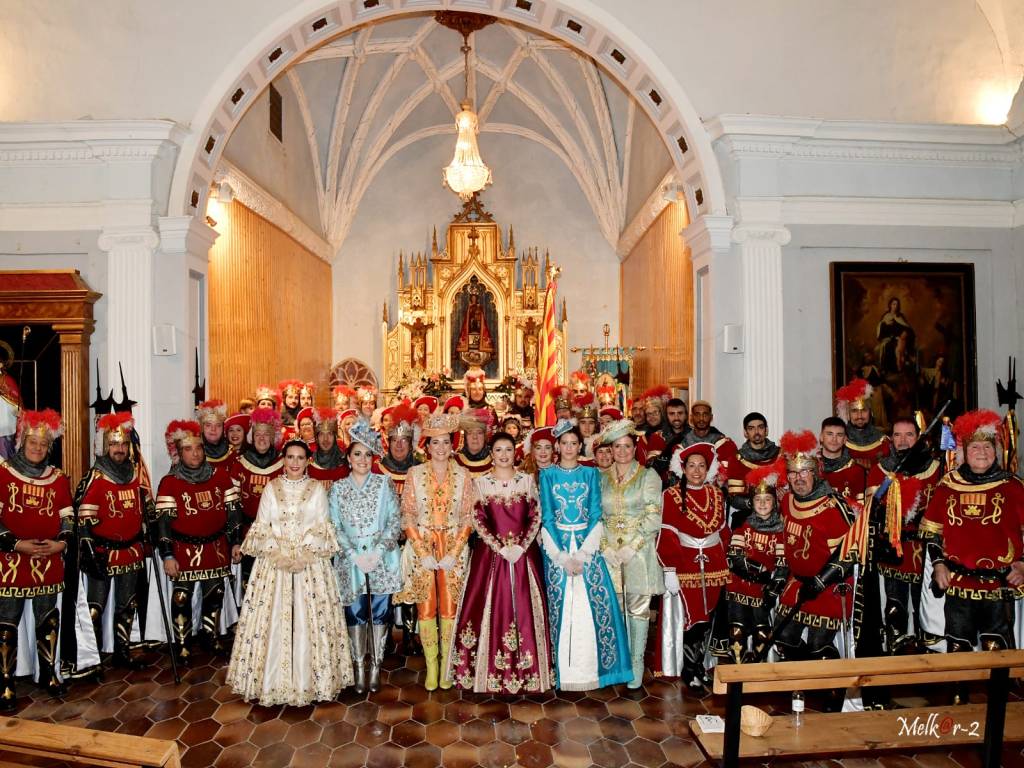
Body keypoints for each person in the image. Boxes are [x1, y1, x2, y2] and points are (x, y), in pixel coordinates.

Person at [227, 439, 352, 705]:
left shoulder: (317, 489)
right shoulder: (271, 488)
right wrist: (279, 553)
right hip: (275, 564)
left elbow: (322, 526)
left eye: (300, 458)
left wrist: (304, 554)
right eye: (290, 457)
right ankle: (272, 684)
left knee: (310, 621)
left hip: (310, 564)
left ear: (307, 461)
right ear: (283, 460)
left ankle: (311, 683)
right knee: (273, 621)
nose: (295, 463)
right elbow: (262, 525)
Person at [921, 410, 1024, 691]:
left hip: (999, 584)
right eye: (975, 447)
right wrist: (938, 564)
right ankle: (959, 705)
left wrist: (1022, 564)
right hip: (958, 584)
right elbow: (931, 532)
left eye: (987, 447)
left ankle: (1000, 708)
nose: (981, 452)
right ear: (964, 452)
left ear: (996, 450)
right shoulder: (947, 485)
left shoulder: (1013, 486)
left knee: (996, 650)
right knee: (958, 649)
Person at [448, 432, 552, 693]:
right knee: (487, 607)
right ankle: (486, 673)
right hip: (491, 558)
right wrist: (500, 548)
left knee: (526, 608)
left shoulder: (527, 481)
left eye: (508, 449)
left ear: (515, 453)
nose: (504, 455)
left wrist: (521, 546)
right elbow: (478, 519)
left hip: (524, 556)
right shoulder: (481, 483)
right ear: (491, 454)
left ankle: (530, 672)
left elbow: (536, 515)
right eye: (498, 450)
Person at [538, 422, 631, 690]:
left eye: (573, 443)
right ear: (557, 446)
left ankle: (595, 671)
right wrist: (562, 557)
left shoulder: (591, 474)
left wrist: (583, 553)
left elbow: (594, 514)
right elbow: (547, 517)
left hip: (586, 547)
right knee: (560, 605)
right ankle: (563, 674)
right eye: (564, 443)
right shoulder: (547, 475)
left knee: (594, 605)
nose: (569, 448)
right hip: (557, 548)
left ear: (580, 446)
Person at [395, 411, 476, 690]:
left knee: (450, 608)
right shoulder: (414, 474)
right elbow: (407, 514)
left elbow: (468, 516)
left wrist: (455, 551)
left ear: (452, 445)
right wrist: (421, 550)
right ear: (427, 446)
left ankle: (447, 666)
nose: (440, 448)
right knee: (426, 606)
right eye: (435, 442)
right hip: (424, 545)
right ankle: (431, 665)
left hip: (453, 545)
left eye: (445, 442)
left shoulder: (464, 475)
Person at [0, 410, 74, 706]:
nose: (38, 448)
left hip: (48, 559)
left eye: (44, 444)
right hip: (10, 560)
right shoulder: (4, 473)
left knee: (48, 621)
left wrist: (61, 544)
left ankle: (48, 673)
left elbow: (67, 517)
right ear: (22, 441)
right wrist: (17, 544)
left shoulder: (57, 478)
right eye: (33, 442)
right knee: (6, 625)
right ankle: (5, 682)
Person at [154, 420, 242, 663]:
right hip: (183, 549)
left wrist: (236, 542)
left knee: (215, 594)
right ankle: (182, 643)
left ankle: (210, 637)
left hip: (216, 547)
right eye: (188, 449)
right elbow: (163, 523)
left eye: (198, 448)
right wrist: (167, 555)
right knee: (181, 597)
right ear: (179, 452)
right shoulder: (169, 482)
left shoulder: (220, 476)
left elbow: (233, 512)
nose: (195, 453)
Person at [773, 431, 859, 673]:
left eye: (804, 472)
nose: (798, 478)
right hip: (797, 584)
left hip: (828, 588)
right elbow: (786, 543)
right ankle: (800, 680)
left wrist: (820, 581)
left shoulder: (832, 506)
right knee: (783, 637)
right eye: (793, 473)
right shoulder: (787, 502)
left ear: (815, 473)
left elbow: (850, 551)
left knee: (818, 647)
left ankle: (828, 687)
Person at [329, 421, 402, 694]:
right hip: (351, 562)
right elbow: (333, 525)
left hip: (381, 558)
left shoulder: (384, 484)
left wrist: (379, 550)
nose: (362, 459)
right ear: (348, 458)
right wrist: (352, 554)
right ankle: (359, 666)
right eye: (357, 454)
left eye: (367, 454)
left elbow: (395, 520)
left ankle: (375, 667)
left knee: (380, 612)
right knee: (355, 611)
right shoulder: (337, 488)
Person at [864, 416, 943, 655]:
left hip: (925, 549)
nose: (903, 440)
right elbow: (871, 509)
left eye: (909, 435)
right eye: (897, 435)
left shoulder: (935, 469)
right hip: (893, 548)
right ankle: (894, 651)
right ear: (891, 439)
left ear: (918, 438)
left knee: (924, 605)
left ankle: (926, 653)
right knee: (894, 607)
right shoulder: (881, 469)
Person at [76, 413, 147, 670]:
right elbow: (82, 516)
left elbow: (142, 507)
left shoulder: (135, 474)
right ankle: (92, 659)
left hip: (131, 550)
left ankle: (122, 652)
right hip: (102, 552)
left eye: (124, 444)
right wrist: (87, 547)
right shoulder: (95, 477)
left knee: (127, 605)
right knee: (95, 608)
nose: (120, 449)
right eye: (114, 444)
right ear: (105, 446)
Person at [654, 443, 728, 690]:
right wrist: (670, 569)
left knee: (709, 617)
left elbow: (723, 531)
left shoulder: (717, 494)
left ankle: (700, 666)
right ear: (683, 469)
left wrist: (728, 558)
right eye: (691, 466)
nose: (696, 471)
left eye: (701, 466)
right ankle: (689, 668)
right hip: (686, 563)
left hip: (715, 563)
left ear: (708, 469)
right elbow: (667, 533)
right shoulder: (671, 495)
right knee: (693, 617)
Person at [598, 420, 663, 689]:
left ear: (635, 448)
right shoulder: (601, 478)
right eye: (617, 447)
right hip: (609, 554)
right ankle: (617, 664)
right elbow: (595, 516)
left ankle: (636, 663)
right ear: (610, 450)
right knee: (613, 608)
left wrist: (631, 546)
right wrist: (605, 546)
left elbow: (654, 515)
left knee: (637, 609)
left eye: (627, 446)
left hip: (638, 552)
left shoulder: (648, 476)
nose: (622, 451)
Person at [372, 402, 423, 656]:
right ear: (388, 442)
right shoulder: (377, 469)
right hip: (384, 541)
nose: (399, 445)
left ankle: (411, 636)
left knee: (413, 583)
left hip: (414, 539)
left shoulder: (420, 470)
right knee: (386, 588)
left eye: (404, 441)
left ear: (411, 444)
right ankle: (387, 636)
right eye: (395, 441)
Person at [724, 461, 786, 663]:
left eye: (767, 499)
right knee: (737, 631)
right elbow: (734, 556)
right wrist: (756, 567)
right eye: (758, 499)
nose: (762, 504)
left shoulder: (780, 532)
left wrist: (774, 588)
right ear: (751, 502)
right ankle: (738, 668)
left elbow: (783, 564)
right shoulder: (743, 527)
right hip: (738, 587)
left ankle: (757, 666)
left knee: (762, 632)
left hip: (762, 590)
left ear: (774, 503)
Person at [226, 407, 283, 593]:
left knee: (274, 586)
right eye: (258, 434)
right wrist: (235, 540)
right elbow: (233, 507)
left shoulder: (284, 464)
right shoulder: (239, 464)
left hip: (278, 536)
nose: (262, 438)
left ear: (273, 437)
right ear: (251, 436)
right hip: (248, 534)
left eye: (266, 434)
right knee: (249, 585)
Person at [725, 412, 780, 517]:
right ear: (745, 433)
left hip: (778, 514)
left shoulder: (780, 455)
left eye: (760, 427)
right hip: (749, 514)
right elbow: (734, 498)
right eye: (751, 428)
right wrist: (754, 503)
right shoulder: (737, 459)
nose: (756, 432)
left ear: (766, 430)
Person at [836, 378, 891, 469]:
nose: (860, 416)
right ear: (847, 414)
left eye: (864, 410)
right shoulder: (838, 441)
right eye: (854, 411)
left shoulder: (883, 442)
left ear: (870, 412)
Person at [819, 416, 866, 504]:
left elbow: (860, 508)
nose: (834, 439)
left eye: (839, 435)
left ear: (845, 439)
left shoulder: (856, 471)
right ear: (821, 437)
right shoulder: (811, 468)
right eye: (829, 434)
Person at [308, 408, 348, 490]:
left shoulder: (345, 463)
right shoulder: (309, 464)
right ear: (316, 438)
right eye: (321, 434)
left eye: (329, 434)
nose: (325, 439)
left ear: (335, 437)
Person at [454, 408, 493, 477]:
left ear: (485, 436)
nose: (475, 437)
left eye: (479, 433)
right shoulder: (454, 462)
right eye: (470, 432)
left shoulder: (495, 461)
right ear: (465, 437)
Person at [196, 399, 233, 467]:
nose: (213, 429)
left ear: (223, 428)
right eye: (208, 425)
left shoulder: (232, 451)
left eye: (218, 425)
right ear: (202, 428)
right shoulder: (194, 452)